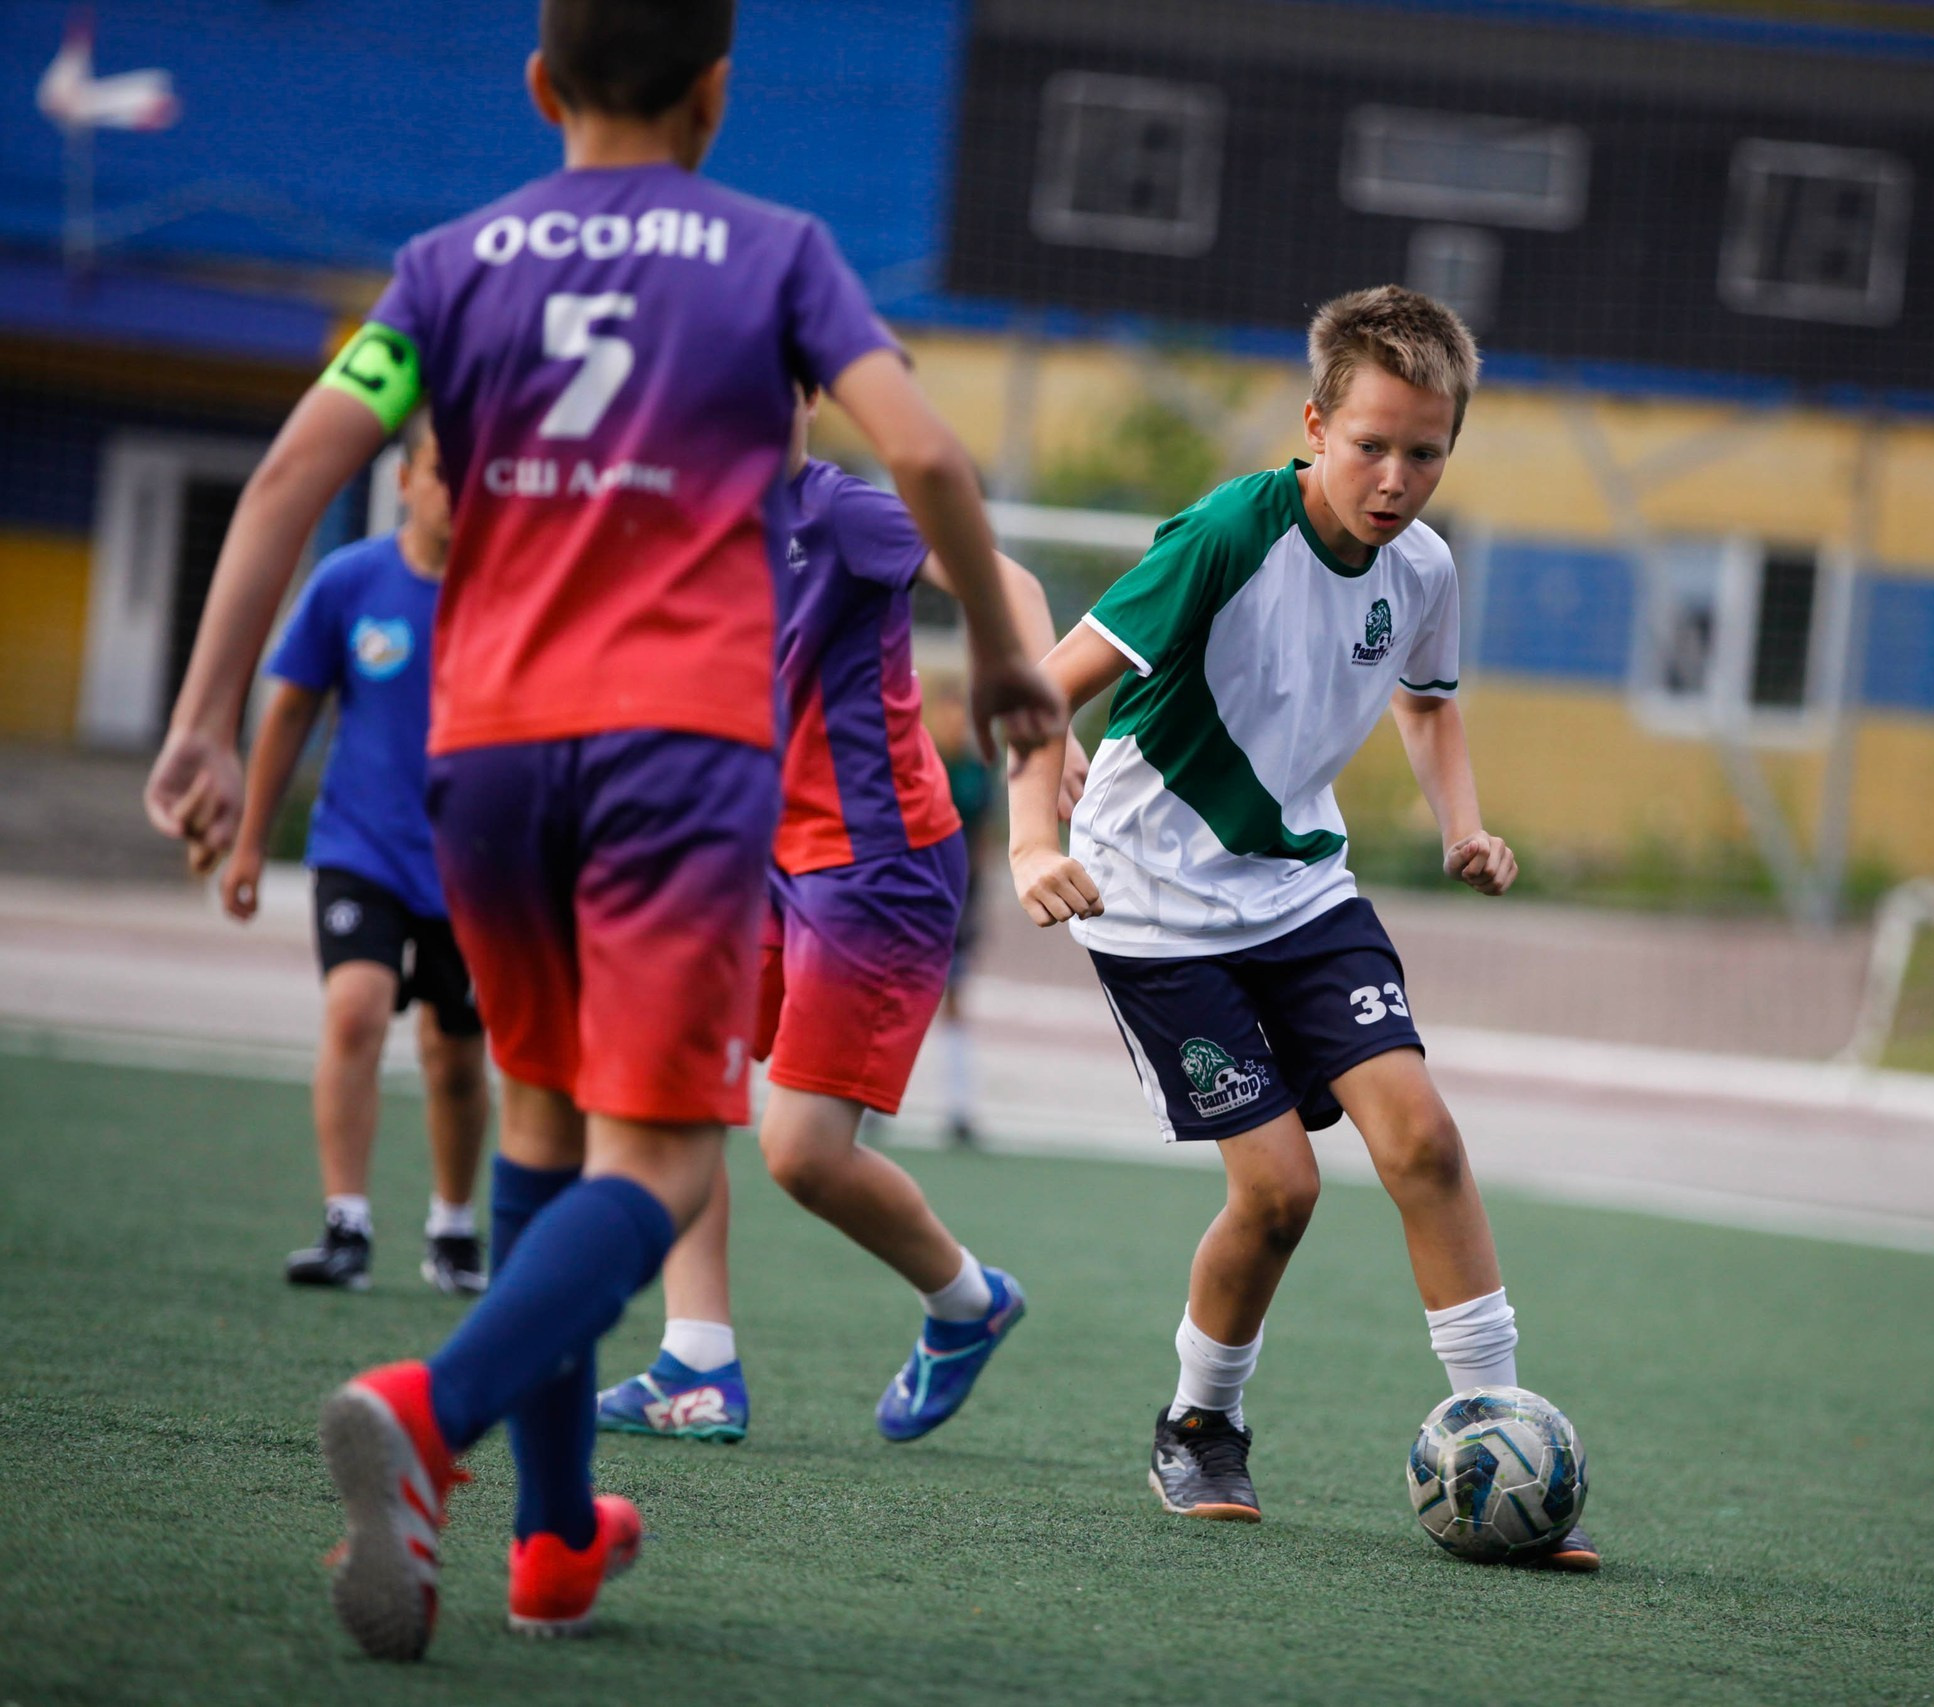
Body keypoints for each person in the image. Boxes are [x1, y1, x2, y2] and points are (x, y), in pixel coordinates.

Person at [142, 0, 1062, 1659]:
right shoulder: (776, 253)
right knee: (660, 1161)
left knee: (543, 1127)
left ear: (539, 84)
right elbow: (919, 446)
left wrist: (206, 718)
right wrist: (1000, 663)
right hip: (674, 770)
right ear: (718, 92)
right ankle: (437, 1416)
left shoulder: (444, 263)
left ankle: (556, 1543)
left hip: (485, 756)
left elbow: (291, 471)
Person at [1006, 285, 1596, 1570]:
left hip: (1300, 891)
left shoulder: (1425, 566)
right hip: (1153, 906)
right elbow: (1036, 692)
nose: (1396, 479)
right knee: (1277, 1193)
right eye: (1371, 445)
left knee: (1424, 1141)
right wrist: (1032, 840)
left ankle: (1495, 1430)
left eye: (1426, 452)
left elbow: (1429, 706)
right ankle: (1199, 1423)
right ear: (1314, 425)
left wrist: (1462, 826)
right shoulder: (1227, 532)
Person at [597, 388, 1082, 1445]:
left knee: (802, 1154)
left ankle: (966, 1302)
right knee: (672, 1095)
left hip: (875, 869)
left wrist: (1036, 703)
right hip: (747, 859)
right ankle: (697, 1366)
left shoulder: (843, 514)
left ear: (811, 398)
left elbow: (1010, 583)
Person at [218, 420, 491, 1297]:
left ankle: (453, 1228)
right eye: (445, 472)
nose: (460, 490)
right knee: (355, 1012)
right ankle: (346, 1223)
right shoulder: (351, 581)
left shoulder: (512, 593)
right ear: (406, 479)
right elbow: (291, 710)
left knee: (456, 1053)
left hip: (474, 863)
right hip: (359, 845)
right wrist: (252, 840)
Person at [925, 674, 994, 1146]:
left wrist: (973, 900)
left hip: (958, 898)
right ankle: (868, 1103)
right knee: (898, 996)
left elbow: (982, 839)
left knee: (952, 996)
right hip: (915, 892)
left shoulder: (975, 772)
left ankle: (959, 1105)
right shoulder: (920, 763)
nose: (954, 724)